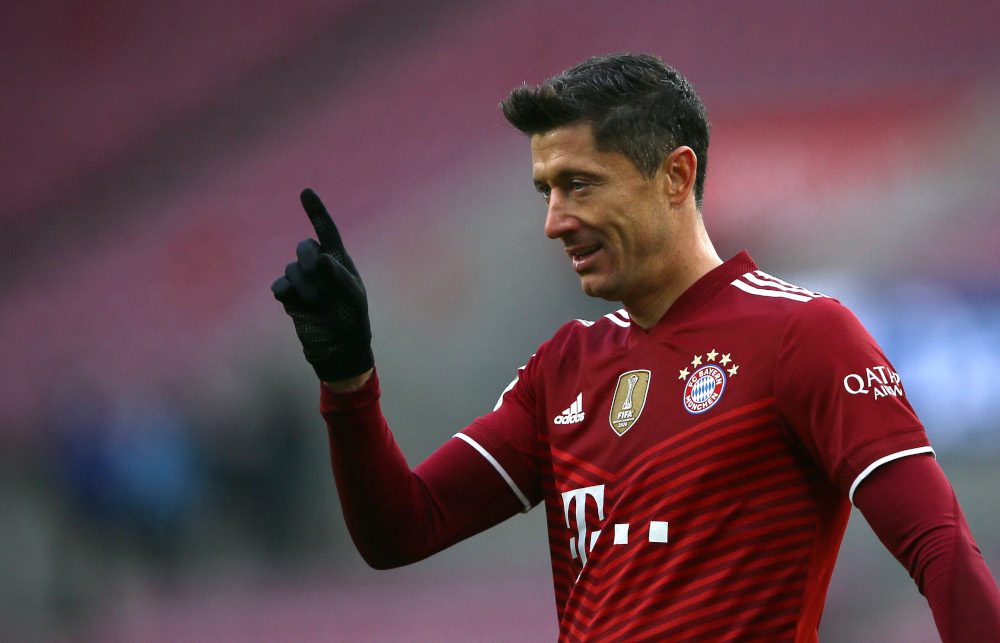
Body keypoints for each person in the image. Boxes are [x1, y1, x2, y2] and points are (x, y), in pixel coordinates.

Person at [271, 53, 1000, 642]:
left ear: (674, 176)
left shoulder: (803, 336)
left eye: (579, 185)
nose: (555, 221)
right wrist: (347, 376)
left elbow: (941, 549)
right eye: (546, 191)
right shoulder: (563, 370)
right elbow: (403, 528)